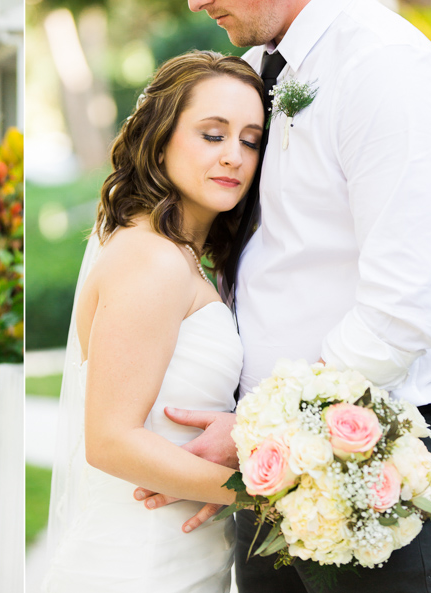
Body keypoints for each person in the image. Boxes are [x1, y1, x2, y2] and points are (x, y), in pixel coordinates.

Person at [137, 1, 431, 592]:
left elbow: (403, 309)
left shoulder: (385, 67)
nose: (193, 3)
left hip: (386, 474)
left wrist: (257, 433)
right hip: (271, 481)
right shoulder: (255, 70)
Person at [41, 51, 264, 592]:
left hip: (178, 556)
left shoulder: (183, 256)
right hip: (137, 564)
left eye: (251, 140)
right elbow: (111, 441)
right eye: (213, 135)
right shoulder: (153, 259)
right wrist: (263, 490)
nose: (234, 156)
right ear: (160, 140)